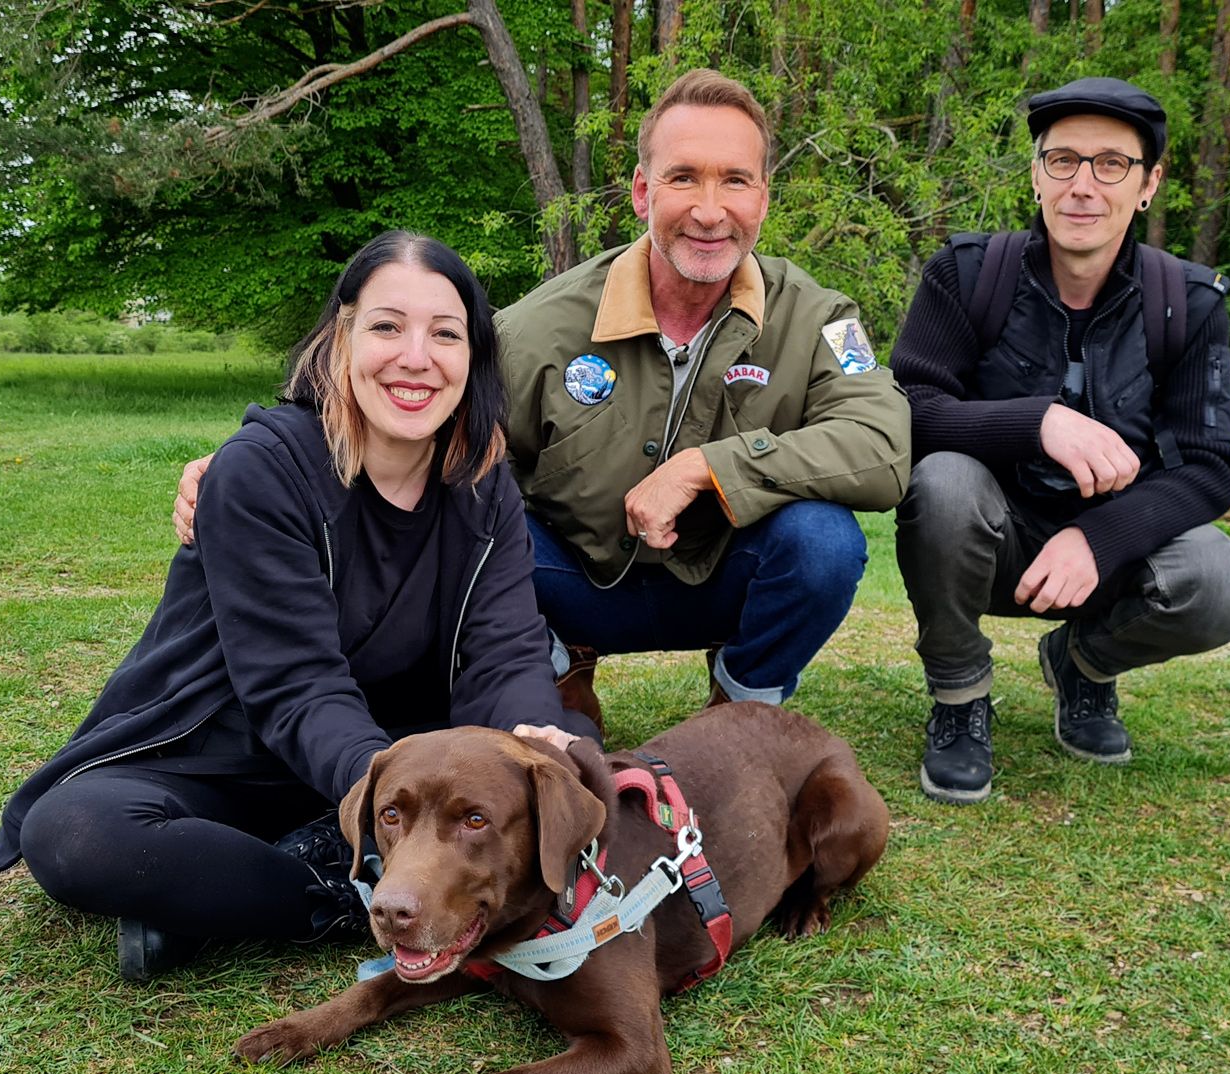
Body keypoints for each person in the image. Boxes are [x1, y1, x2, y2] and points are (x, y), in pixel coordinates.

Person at [179, 69, 911, 718]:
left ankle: (743, 704)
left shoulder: (819, 318)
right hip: (568, 582)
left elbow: (883, 447)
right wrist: (265, 463)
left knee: (823, 541)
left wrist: (708, 469)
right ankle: (554, 668)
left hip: (725, 578)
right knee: (469, 521)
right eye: (684, 178)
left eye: (736, 181)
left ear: (764, 197)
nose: (710, 210)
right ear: (642, 192)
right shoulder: (538, 327)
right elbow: (418, 403)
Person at [0, 231, 598, 980]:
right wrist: (378, 793)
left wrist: (528, 740)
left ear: (474, 357)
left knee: (573, 755)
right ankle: (334, 893)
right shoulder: (262, 471)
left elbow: (504, 650)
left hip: (403, 753)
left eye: (445, 334)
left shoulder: (481, 476)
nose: (416, 357)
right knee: (78, 834)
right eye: (387, 327)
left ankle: (241, 896)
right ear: (340, 338)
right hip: (238, 750)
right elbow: (295, 687)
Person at [890, 77, 1230, 805]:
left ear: (1149, 184)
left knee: (1225, 584)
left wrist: (1099, 538)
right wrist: (1037, 421)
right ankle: (960, 695)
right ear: (1036, 175)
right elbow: (907, 408)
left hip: (1116, 556)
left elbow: (1210, 467)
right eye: (1062, 160)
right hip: (989, 539)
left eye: (1111, 164)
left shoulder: (1189, 303)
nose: (1082, 185)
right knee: (941, 482)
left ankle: (1084, 665)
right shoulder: (966, 275)